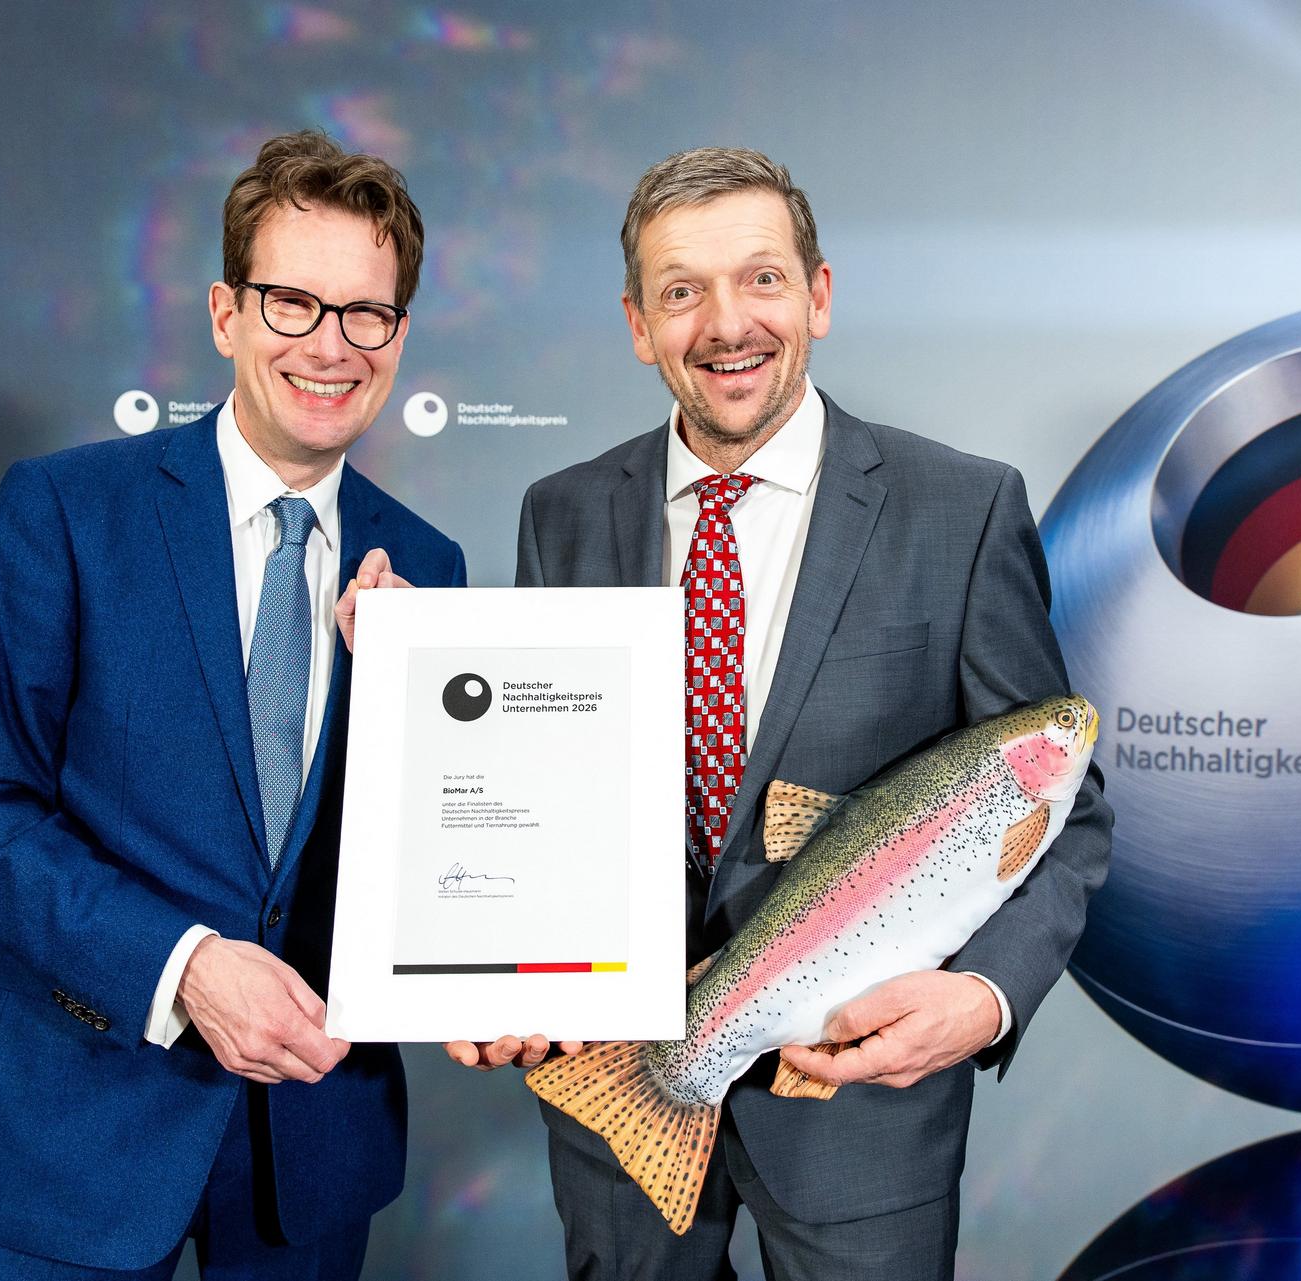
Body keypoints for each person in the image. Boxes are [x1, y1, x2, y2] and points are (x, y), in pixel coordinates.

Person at [448, 147, 1113, 1279]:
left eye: (761, 278)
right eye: (681, 290)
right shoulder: (562, 514)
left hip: (862, 1112)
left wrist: (986, 995)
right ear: (638, 324)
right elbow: (536, 795)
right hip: (615, 1095)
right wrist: (490, 962)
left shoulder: (960, 506)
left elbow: (1066, 806)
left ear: (818, 295)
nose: (726, 324)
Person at [0, 129, 464, 1280]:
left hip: (310, 1142)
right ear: (225, 314)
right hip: (65, 1125)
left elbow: (437, 858)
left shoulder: (427, 565)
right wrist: (185, 964)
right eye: (293, 303)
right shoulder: (67, 510)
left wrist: (419, 710)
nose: (331, 345)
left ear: (399, 336)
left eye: (367, 314)